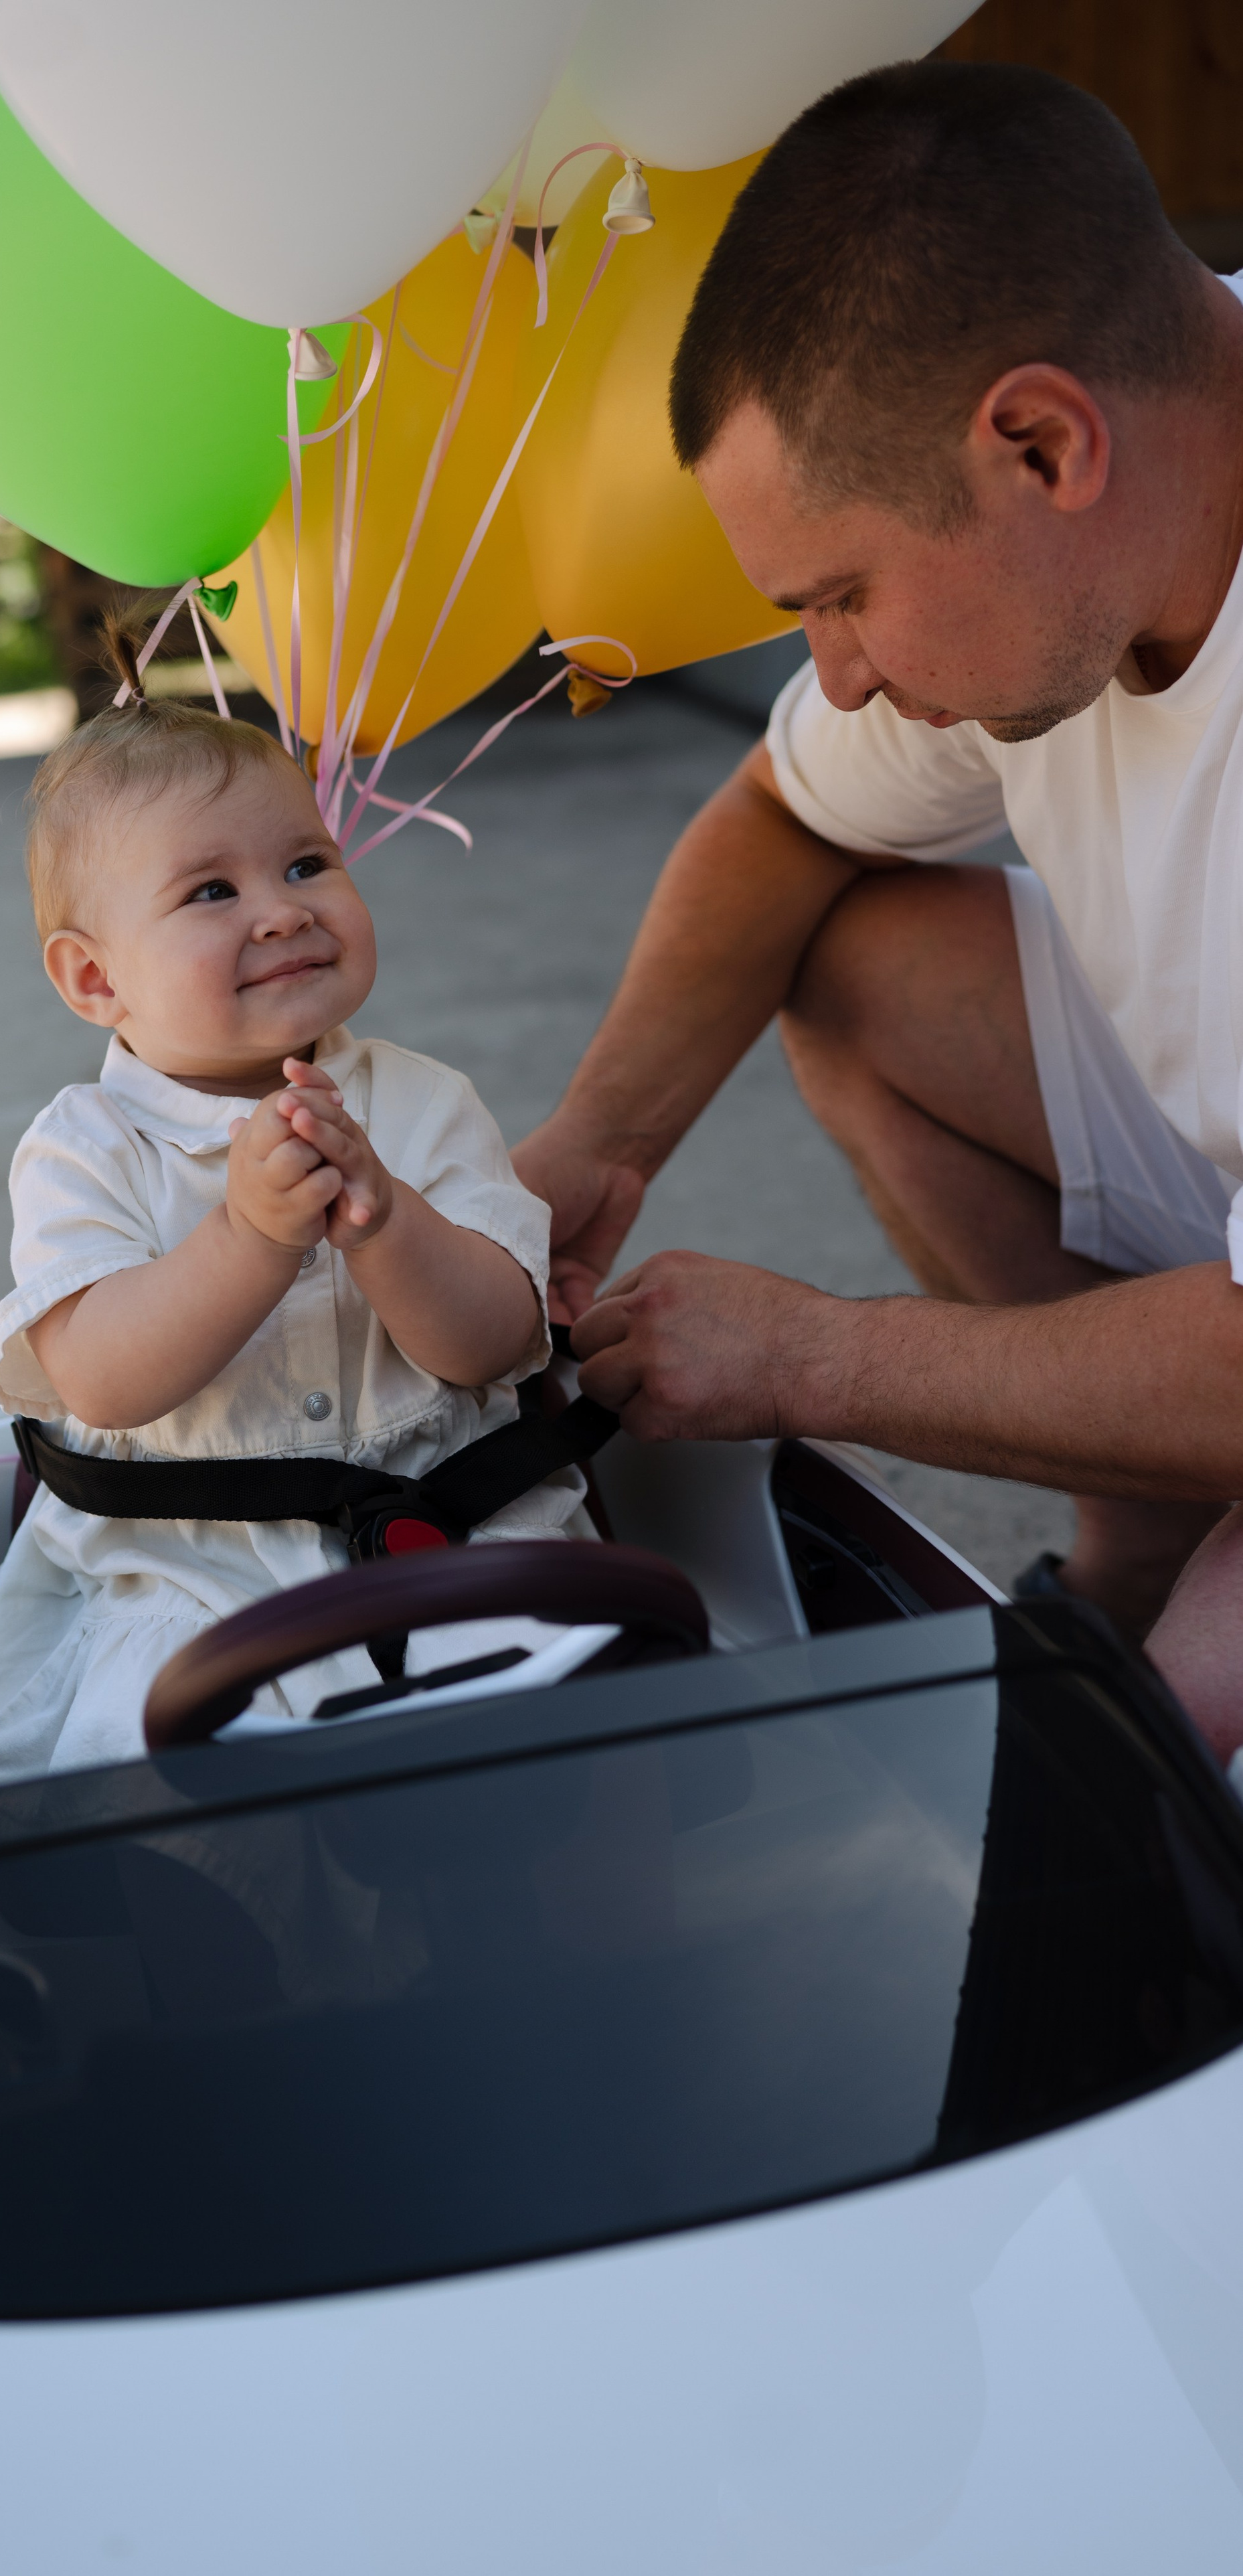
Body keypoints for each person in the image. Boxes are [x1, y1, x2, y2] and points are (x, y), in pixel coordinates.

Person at [513, 59, 1243, 1764]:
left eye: (839, 597)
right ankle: (1138, 1506)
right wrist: (594, 1152)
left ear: (1040, 442)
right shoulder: (1107, 520)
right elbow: (774, 816)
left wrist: (819, 1359)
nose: (830, 673)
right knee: (845, 956)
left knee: (1165, 1777)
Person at [0, 634, 579, 1785]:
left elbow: (496, 1341)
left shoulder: (424, 1105)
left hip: (454, 1534)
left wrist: (387, 1223)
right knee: (161, 1779)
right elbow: (101, 1376)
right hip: (192, 1575)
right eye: (210, 891)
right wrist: (243, 1241)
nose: (283, 912)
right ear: (96, 979)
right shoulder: (87, 1151)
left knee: (568, 1738)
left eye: (307, 866)